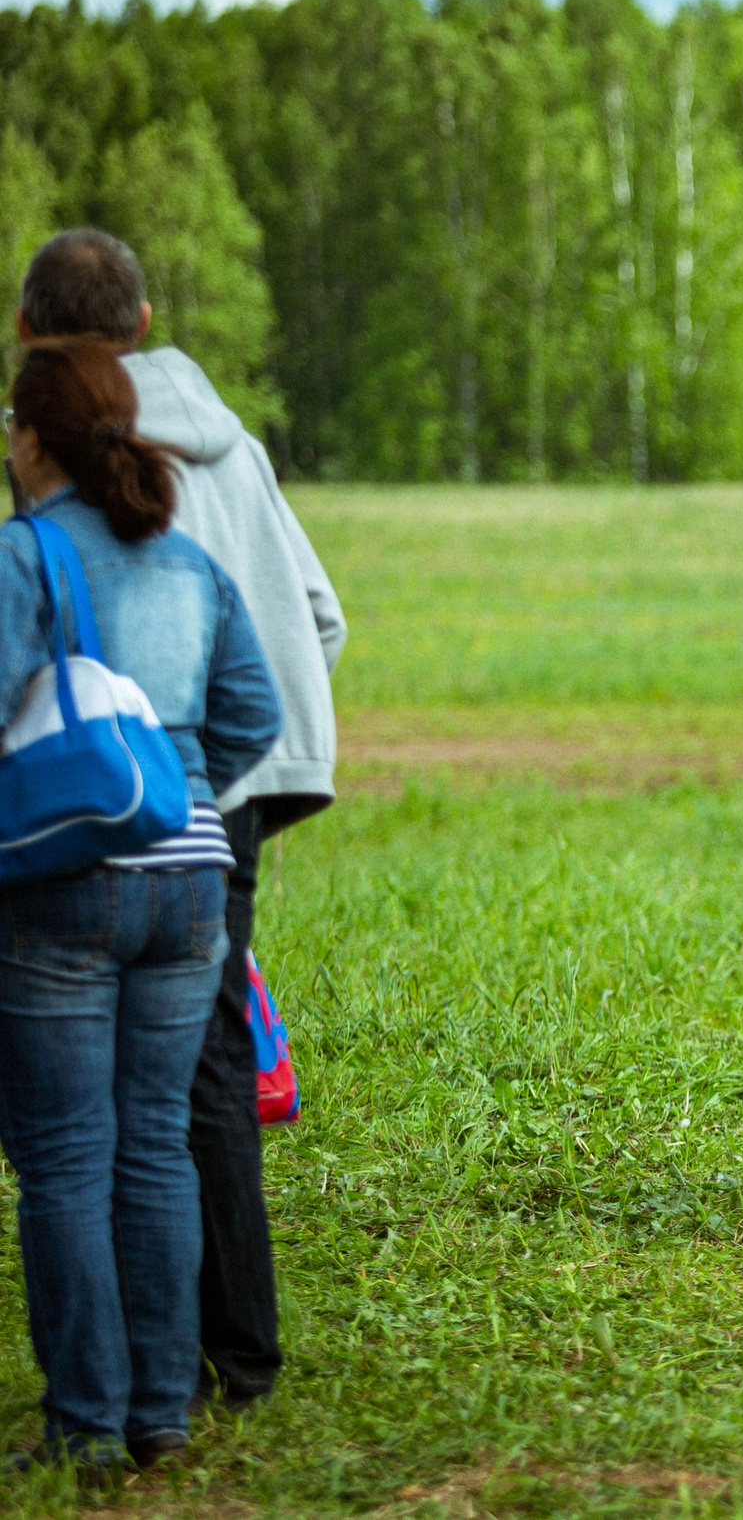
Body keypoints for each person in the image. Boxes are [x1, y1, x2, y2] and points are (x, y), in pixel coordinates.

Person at [1, 329, 280, 1477]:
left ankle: (87, 1426)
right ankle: (163, 1409)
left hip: (66, 885)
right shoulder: (187, 560)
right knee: (157, 1144)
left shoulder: (23, 556)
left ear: (34, 441)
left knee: (66, 1157)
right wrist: (178, 791)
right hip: (193, 875)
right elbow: (255, 715)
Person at [79, 240, 341, 1413]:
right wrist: (249, 767)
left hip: (127, 790)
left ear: (31, 333)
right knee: (214, 1055)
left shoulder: (72, 450)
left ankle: (160, 1351)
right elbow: (320, 614)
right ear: (142, 318)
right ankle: (243, 1353)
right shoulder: (235, 443)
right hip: (241, 784)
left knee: (120, 1066)